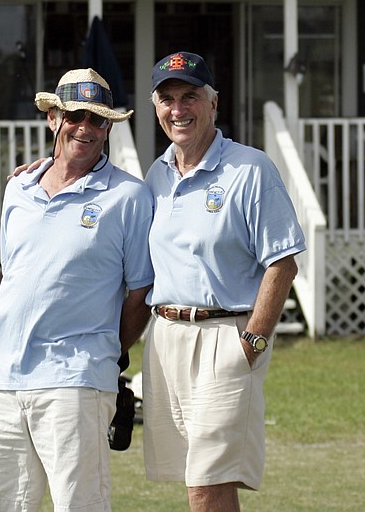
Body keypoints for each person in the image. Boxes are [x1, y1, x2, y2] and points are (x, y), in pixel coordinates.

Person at [0, 68, 154, 512]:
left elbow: (139, 295)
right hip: (2, 377)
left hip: (76, 380)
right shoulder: (18, 187)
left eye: (98, 120)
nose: (86, 128)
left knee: (80, 506)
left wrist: (104, 348)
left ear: (108, 128)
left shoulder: (130, 197)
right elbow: (16, 276)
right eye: (75, 116)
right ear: (53, 118)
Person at [141, 51, 305, 511]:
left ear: (214, 103)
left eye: (190, 96)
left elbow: (283, 263)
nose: (179, 109)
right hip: (166, 335)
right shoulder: (157, 175)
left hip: (226, 336)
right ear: (156, 107)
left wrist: (253, 340)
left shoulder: (251, 169)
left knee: (208, 481)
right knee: (193, 474)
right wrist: (44, 169)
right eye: (167, 98)